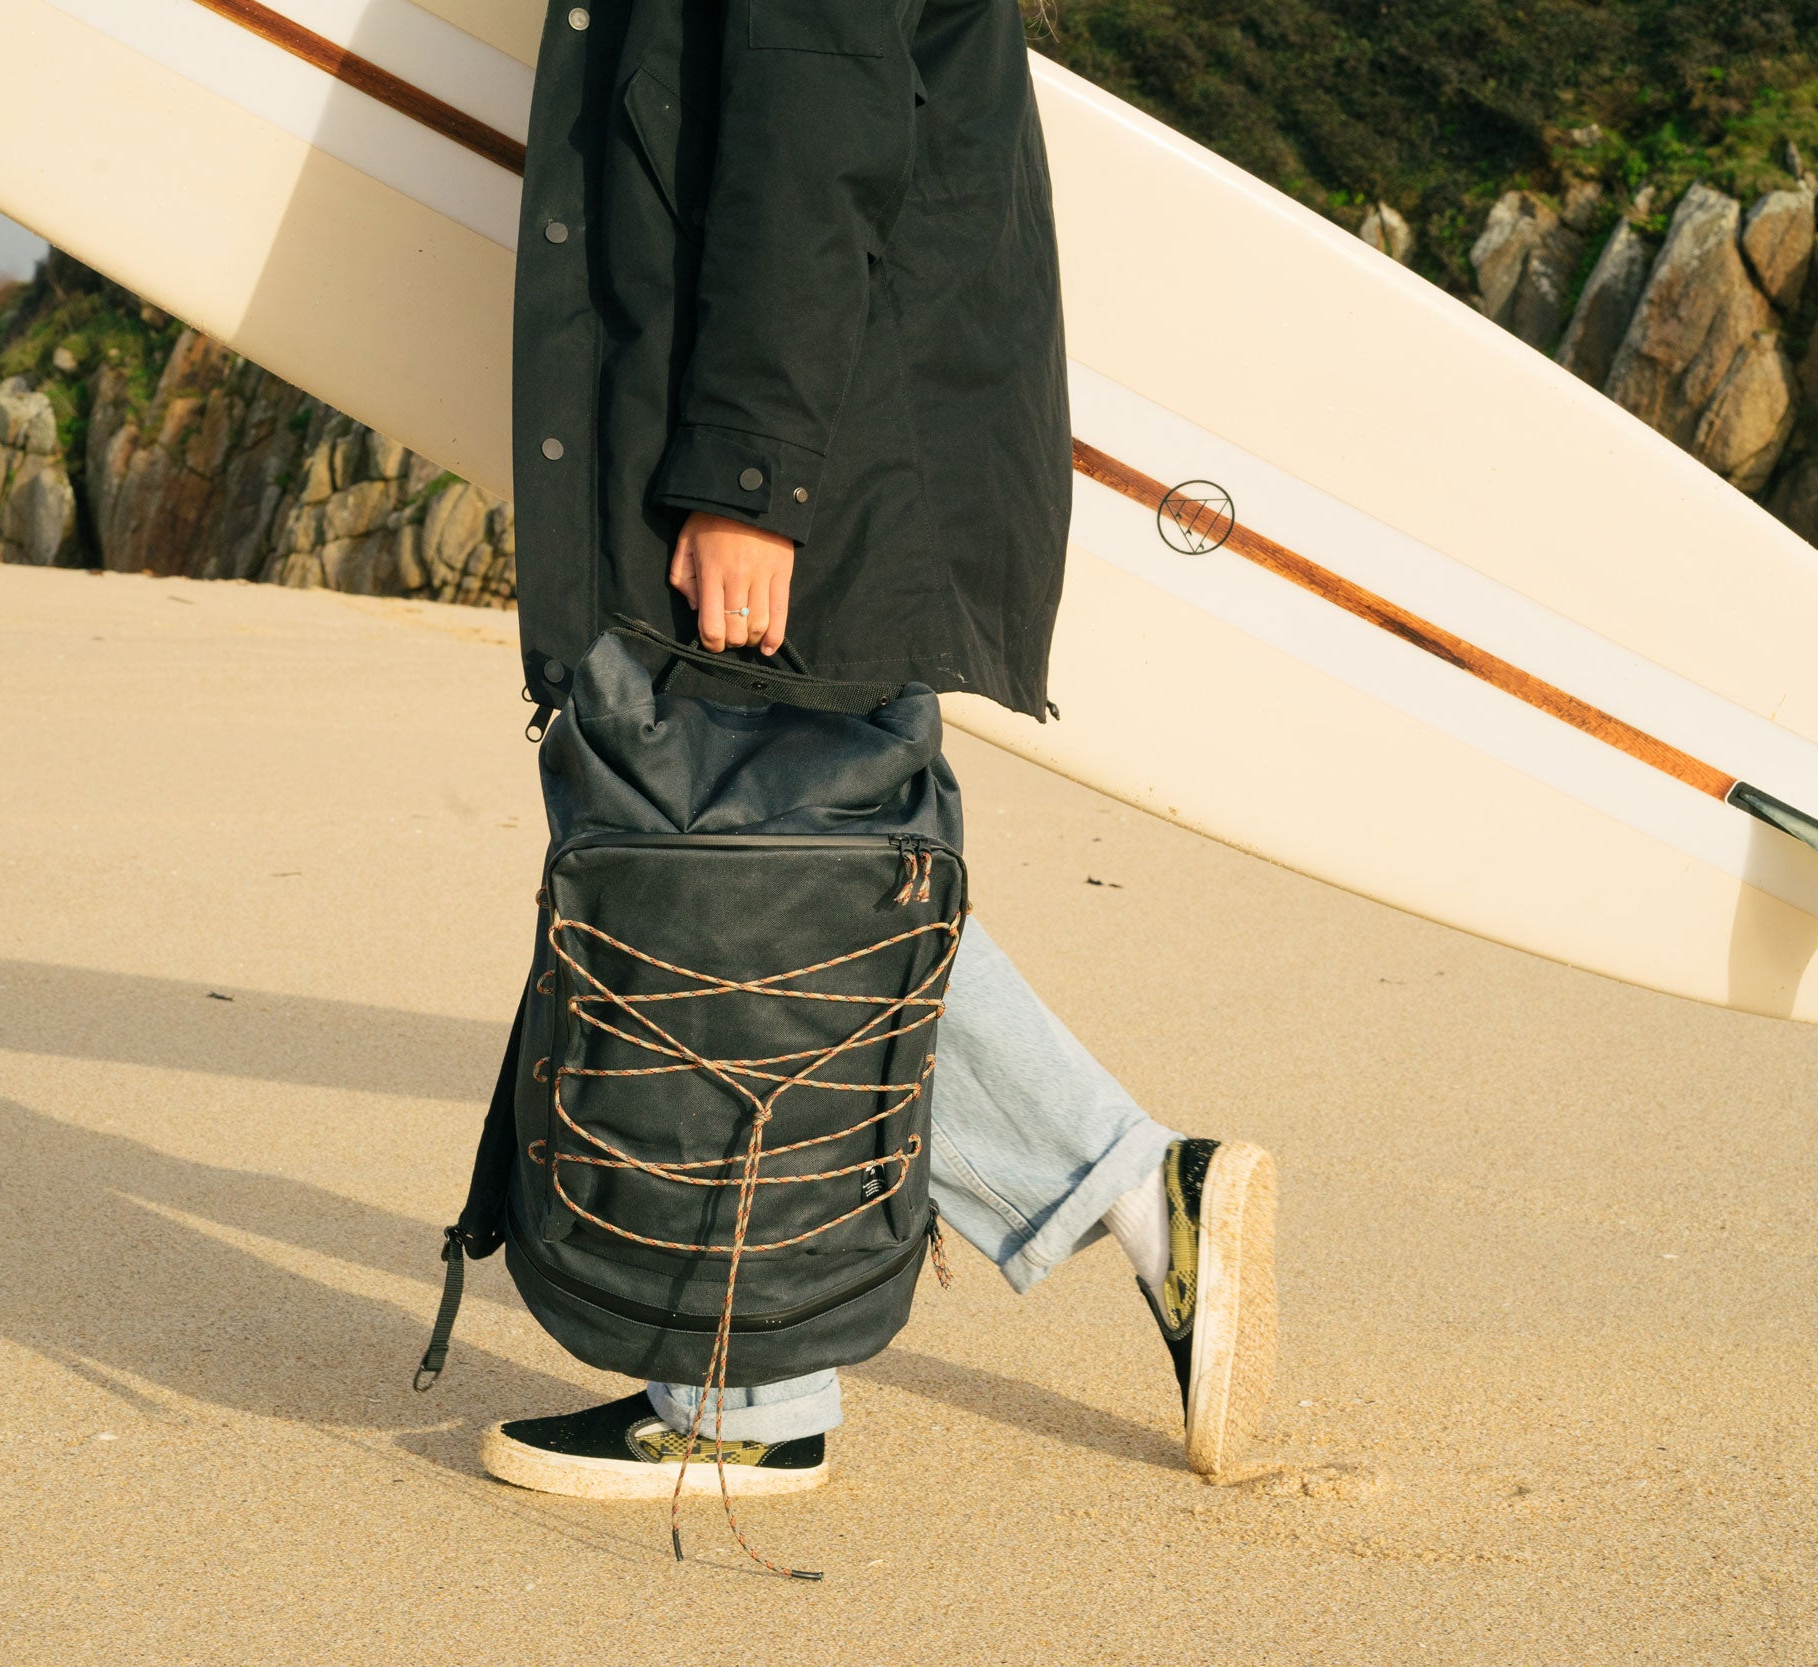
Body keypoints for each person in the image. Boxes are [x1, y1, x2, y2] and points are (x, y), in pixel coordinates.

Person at [479, 0, 1277, 1496]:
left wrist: (748, 479)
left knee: (736, 879)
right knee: (772, 860)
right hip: (778, 419)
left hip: (785, 444)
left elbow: (814, 126)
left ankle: (756, 1400)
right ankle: (1120, 1183)